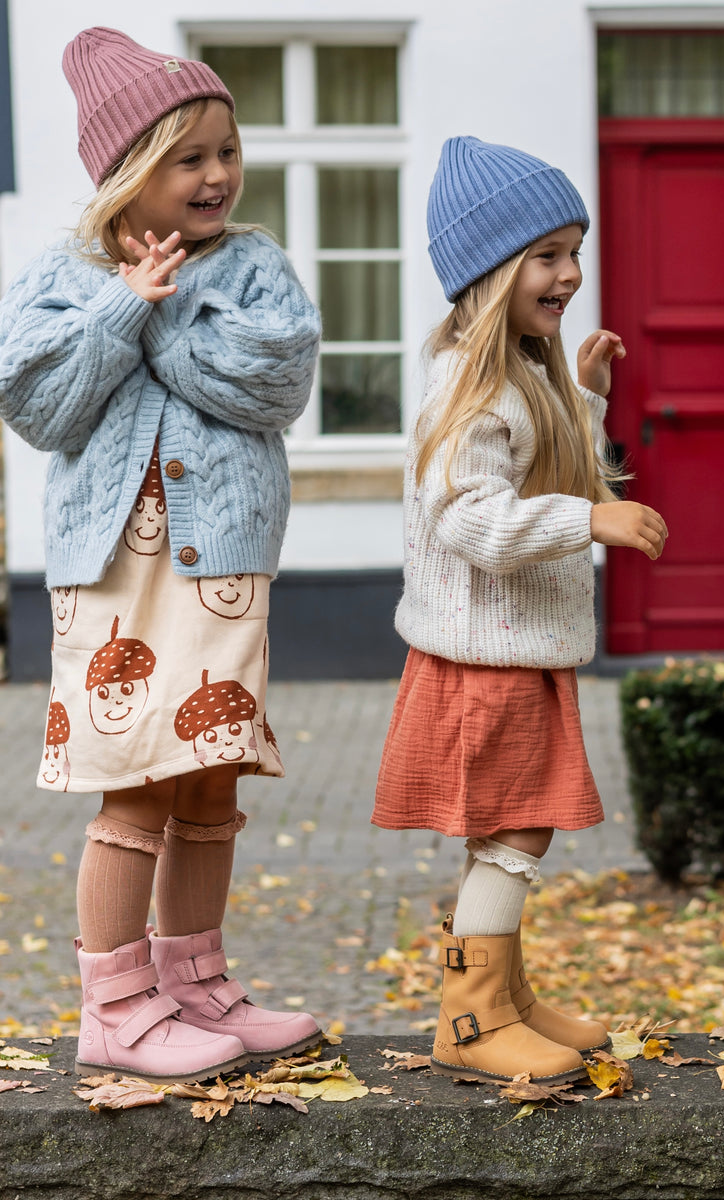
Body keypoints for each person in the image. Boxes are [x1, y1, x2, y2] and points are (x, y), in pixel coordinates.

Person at [0, 28, 323, 1084]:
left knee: (211, 777)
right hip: (114, 579)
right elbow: (40, 404)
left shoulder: (259, 268)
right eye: (191, 157)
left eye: (228, 150)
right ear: (129, 171)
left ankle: (194, 983)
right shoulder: (65, 274)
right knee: (135, 779)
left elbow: (269, 387)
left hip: (220, 566)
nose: (219, 174)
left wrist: (169, 307)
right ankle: (115, 1004)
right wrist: (116, 307)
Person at [372, 136, 668, 1084]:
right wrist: (593, 518)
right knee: (513, 829)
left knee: (513, 824)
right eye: (547, 256)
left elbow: (539, 452)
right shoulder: (472, 387)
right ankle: (469, 1022)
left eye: (575, 252)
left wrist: (585, 395)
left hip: (513, 651)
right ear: (490, 272)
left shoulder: (522, 373)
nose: (571, 274)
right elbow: (474, 519)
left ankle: (503, 999)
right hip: (481, 660)